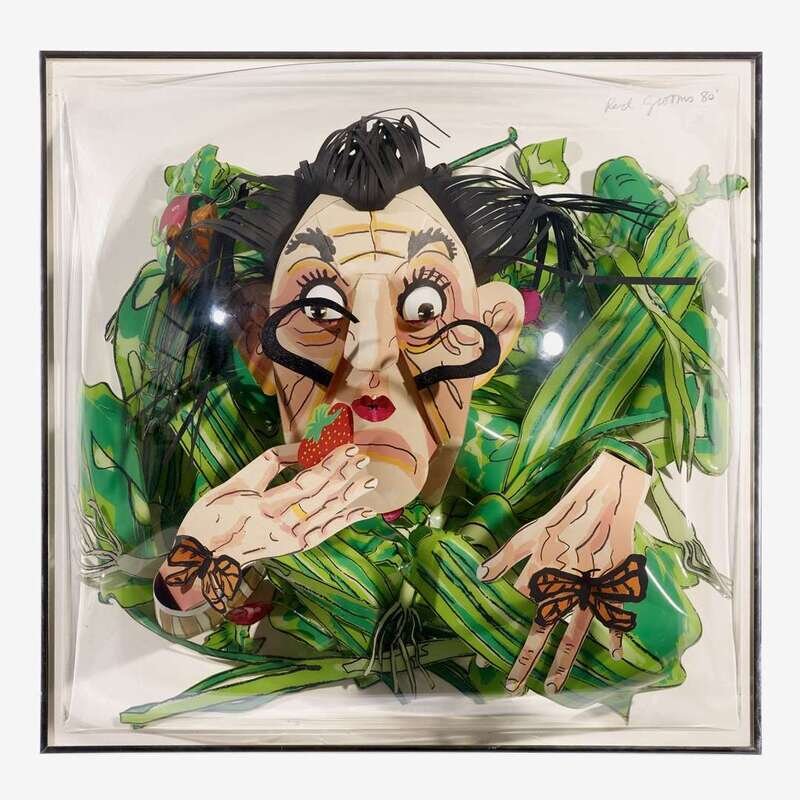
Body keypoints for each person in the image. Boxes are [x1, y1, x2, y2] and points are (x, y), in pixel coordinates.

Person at [154, 114, 660, 695]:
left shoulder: (509, 470)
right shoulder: (227, 463)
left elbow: (651, 653)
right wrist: (199, 557)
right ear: (259, 347)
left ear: (492, 335)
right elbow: (178, 632)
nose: (370, 353)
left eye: (423, 308)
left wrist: (622, 468)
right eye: (320, 309)